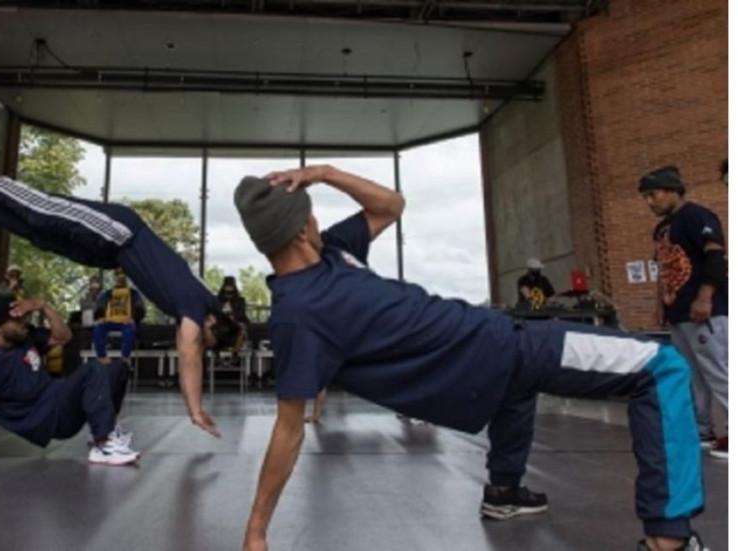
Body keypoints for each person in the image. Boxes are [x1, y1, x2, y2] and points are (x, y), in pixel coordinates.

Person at [234, 166, 705, 551]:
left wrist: (325, 173)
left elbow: (391, 205)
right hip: (501, 350)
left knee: (516, 392)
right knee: (660, 366)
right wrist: (256, 532)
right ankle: (668, 536)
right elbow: (289, 428)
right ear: (302, 230)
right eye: (312, 217)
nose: (318, 223)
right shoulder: (299, 313)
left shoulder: (335, 252)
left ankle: (504, 491)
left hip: (493, 344)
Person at [0, 170, 239, 437]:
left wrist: (195, 404)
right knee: (45, 213)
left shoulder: (201, 305)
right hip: (120, 231)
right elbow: (190, 355)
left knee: (43, 237)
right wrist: (196, 410)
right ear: (211, 321)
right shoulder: (195, 305)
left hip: (111, 254)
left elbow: (195, 352)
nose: (197, 340)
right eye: (204, 337)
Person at [0, 291, 140, 468]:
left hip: (59, 399)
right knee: (92, 369)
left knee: (117, 368)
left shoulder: (23, 337)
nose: (24, 324)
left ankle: (104, 430)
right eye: (18, 320)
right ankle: (104, 444)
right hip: (47, 417)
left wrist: (43, 306)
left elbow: (64, 336)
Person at [641, 165, 728, 460]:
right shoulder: (662, 229)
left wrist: (705, 297)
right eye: (645, 197)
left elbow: (715, 258)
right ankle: (703, 429)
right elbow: (663, 270)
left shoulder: (698, 216)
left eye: (653, 194)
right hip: (678, 313)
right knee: (691, 375)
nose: (649, 202)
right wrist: (660, 306)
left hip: (705, 310)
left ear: (672, 191)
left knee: (719, 370)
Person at [93, 268, 145, 364]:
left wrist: (134, 318)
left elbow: (140, 308)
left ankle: (125, 357)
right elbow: (100, 306)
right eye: (117, 275)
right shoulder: (108, 294)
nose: (120, 277)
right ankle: (102, 356)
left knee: (130, 330)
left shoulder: (133, 293)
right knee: (98, 329)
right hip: (109, 322)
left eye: (122, 275)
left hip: (126, 322)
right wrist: (100, 317)